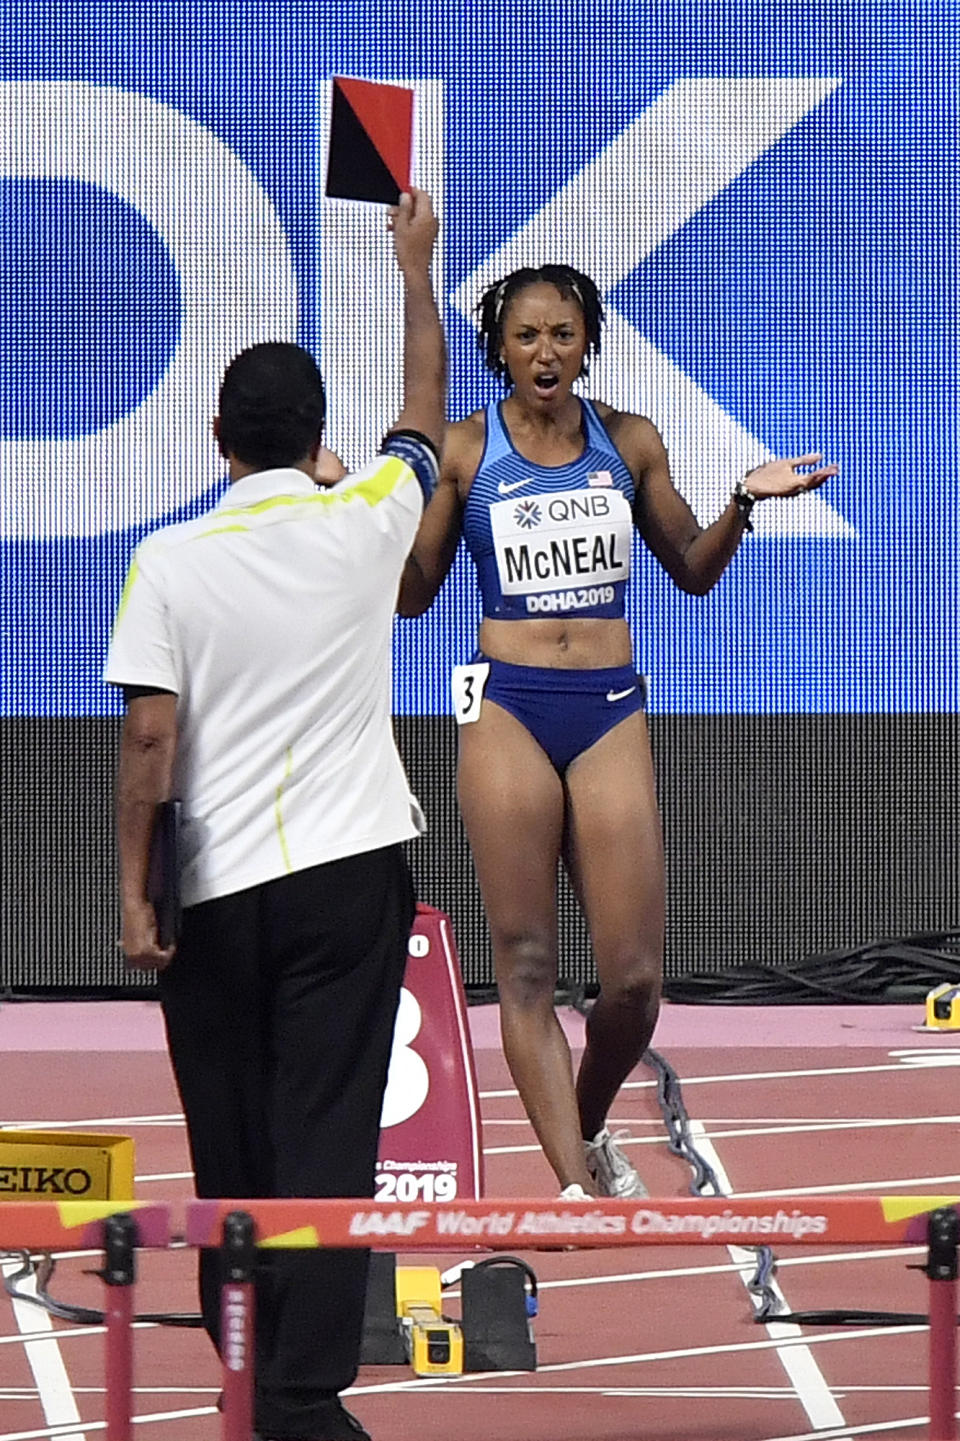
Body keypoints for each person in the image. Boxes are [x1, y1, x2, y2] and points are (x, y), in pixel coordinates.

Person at [105, 189, 444, 1441]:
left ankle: (247, 1367)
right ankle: (302, 1393)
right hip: (350, 880)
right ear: (315, 440)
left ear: (215, 438)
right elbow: (421, 418)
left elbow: (151, 739)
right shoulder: (364, 521)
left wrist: (139, 891)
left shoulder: (168, 560)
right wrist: (416, 270)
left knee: (230, 1139)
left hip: (215, 882)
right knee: (325, 1133)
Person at [398, 263, 836, 1201]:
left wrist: (745, 505)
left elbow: (692, 568)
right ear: (498, 350)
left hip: (605, 706)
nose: (545, 353)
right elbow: (409, 594)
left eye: (562, 334)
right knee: (524, 964)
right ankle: (575, 1191)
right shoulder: (470, 453)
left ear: (588, 341)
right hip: (508, 703)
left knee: (634, 983)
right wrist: (375, 511)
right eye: (526, 337)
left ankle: (585, 1128)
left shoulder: (628, 441)